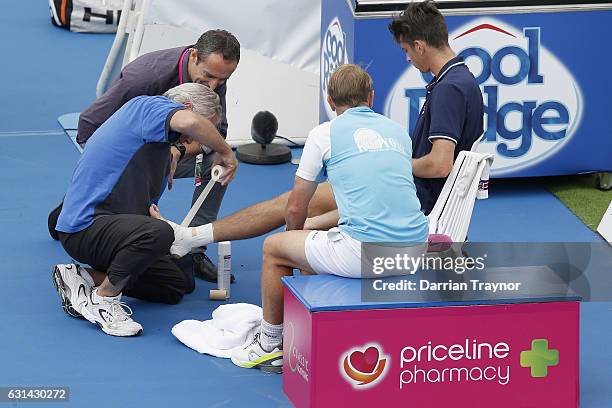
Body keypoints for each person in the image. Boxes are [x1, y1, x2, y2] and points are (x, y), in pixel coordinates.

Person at [143, 0, 484, 254]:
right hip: (408, 192)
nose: (409, 59)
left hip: (412, 197)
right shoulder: (459, 79)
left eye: (408, 51)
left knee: (289, 204)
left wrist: (386, 160)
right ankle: (204, 238)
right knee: (310, 215)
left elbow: (440, 163)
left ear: (421, 45)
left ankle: (192, 238)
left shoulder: (450, 88)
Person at [152, 65, 429, 371]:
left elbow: (296, 207)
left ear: (330, 100)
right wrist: (309, 233)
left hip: (363, 256)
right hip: (415, 251)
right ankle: (319, 329)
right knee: (314, 238)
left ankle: (271, 343)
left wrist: (294, 240)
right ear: (372, 97)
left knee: (275, 247)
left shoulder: (325, 134)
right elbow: (378, 204)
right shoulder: (398, 133)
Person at [48, 29, 241, 282]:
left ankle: (194, 245)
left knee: (212, 164)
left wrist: (177, 149)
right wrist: (106, 169)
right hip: (119, 152)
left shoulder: (214, 80)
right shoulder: (145, 77)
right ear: (194, 57)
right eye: (208, 78)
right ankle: (84, 205)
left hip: (167, 151)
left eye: (222, 81)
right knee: (111, 190)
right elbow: (89, 124)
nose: (214, 86)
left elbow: (214, 135)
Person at [52, 83, 238, 337]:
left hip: (114, 230)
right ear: (187, 109)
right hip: (86, 229)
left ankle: (82, 277)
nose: (196, 141)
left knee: (177, 283)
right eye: (206, 127)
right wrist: (224, 150)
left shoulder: (161, 148)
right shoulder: (147, 107)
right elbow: (191, 124)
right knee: (159, 234)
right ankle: (104, 299)